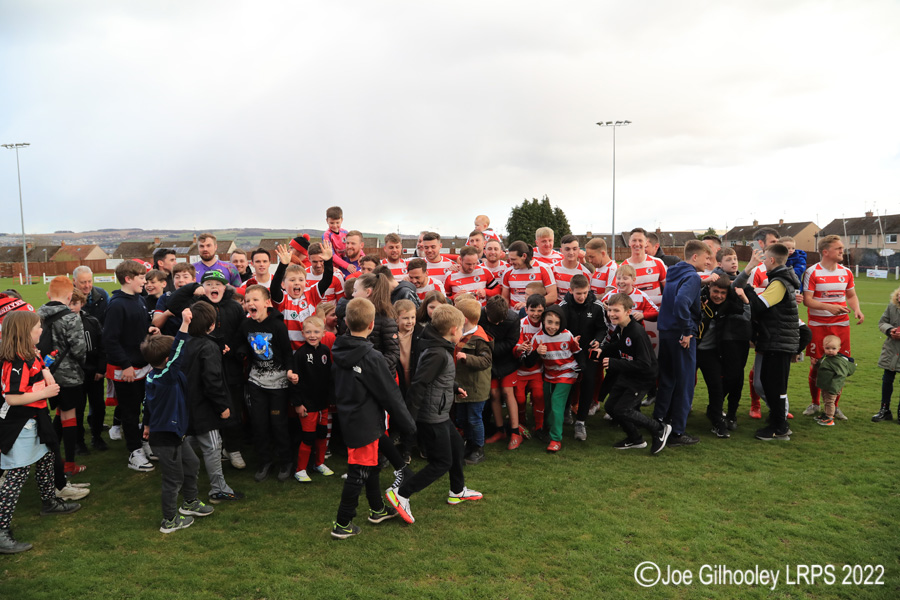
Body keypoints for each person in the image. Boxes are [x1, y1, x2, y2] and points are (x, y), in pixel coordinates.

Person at [386, 304, 482, 525]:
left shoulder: (438, 345)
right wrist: (409, 419)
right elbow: (420, 383)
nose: (462, 333)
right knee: (442, 462)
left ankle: (457, 490)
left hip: (439, 412)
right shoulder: (438, 352)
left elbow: (438, 377)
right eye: (461, 329)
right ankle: (402, 493)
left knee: (457, 445)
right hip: (431, 416)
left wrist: (454, 385)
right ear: (452, 329)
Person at [331, 298, 416, 539]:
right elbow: (390, 394)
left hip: (354, 418)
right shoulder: (372, 357)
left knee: (373, 465)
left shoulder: (338, 347)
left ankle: (377, 509)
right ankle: (342, 523)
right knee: (359, 471)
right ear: (371, 325)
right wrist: (409, 425)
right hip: (364, 422)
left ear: (346, 322)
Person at [0, 311, 80, 554]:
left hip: (36, 418)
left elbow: (48, 382)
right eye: (37, 327)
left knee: (47, 459)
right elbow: (12, 397)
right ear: (25, 332)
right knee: (17, 474)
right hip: (20, 424)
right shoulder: (14, 360)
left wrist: (42, 366)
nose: (41, 331)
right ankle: (1, 530)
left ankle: (49, 502)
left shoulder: (29, 355)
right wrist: (44, 394)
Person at [141, 308, 215, 534]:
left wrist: (146, 424)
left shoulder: (157, 375)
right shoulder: (165, 377)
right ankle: (169, 520)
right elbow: (178, 352)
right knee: (173, 480)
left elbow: (148, 404)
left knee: (191, 464)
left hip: (175, 432)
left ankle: (190, 502)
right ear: (167, 360)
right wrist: (184, 323)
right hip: (166, 437)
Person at [733, 244, 800, 441]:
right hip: (776, 340)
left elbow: (760, 307)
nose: (763, 264)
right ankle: (777, 423)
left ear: (771, 260)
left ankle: (779, 427)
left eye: (765, 260)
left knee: (775, 386)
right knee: (770, 384)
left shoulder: (779, 282)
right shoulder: (781, 280)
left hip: (778, 342)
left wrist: (749, 290)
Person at [180, 301, 244, 503]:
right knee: (213, 448)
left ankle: (183, 483)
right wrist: (222, 406)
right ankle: (218, 489)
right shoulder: (208, 348)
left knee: (188, 443)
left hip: (186, 406)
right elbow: (212, 381)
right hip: (205, 408)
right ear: (212, 325)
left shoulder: (185, 342)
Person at [592, 293, 671, 454]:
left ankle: (659, 429)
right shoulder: (621, 328)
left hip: (642, 377)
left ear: (628, 311)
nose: (612, 314)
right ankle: (635, 439)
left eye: (616, 311)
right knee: (611, 407)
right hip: (628, 374)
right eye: (610, 310)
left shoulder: (636, 332)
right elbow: (616, 344)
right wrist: (602, 349)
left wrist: (614, 363)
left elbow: (644, 363)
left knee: (623, 409)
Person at [652, 240, 712, 447]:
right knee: (685, 383)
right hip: (681, 335)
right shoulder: (693, 276)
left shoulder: (673, 272)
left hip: (666, 332)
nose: (709, 262)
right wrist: (688, 330)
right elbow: (681, 302)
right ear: (695, 257)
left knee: (667, 380)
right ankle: (677, 432)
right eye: (707, 257)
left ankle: (658, 421)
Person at [102, 260, 160, 472]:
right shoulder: (116, 305)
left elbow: (139, 326)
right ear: (128, 278)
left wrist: (150, 330)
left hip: (142, 366)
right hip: (126, 370)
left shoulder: (139, 300)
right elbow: (110, 339)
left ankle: (144, 442)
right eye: (142, 278)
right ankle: (134, 452)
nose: (145, 282)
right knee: (130, 410)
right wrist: (125, 364)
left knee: (145, 407)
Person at [801, 235, 864, 420]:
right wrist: (830, 307)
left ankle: (834, 407)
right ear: (825, 251)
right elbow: (808, 300)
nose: (842, 251)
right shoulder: (812, 272)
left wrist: (857, 309)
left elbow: (851, 295)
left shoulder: (846, 272)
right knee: (816, 365)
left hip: (841, 326)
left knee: (840, 366)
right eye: (838, 248)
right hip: (818, 326)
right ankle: (815, 403)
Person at [237, 285, 294, 482]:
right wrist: (241, 351)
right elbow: (243, 342)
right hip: (256, 383)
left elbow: (287, 352)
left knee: (278, 423)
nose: (250, 303)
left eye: (255, 300)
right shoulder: (246, 325)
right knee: (259, 423)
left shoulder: (277, 326)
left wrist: (290, 371)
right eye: (247, 300)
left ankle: (286, 461)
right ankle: (265, 461)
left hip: (278, 384)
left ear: (267, 303)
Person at [37, 276, 88, 475]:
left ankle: (50, 457)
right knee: (69, 416)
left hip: (45, 373)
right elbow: (79, 348)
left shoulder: (38, 313)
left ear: (49, 294)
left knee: (58, 412)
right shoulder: (71, 317)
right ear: (69, 296)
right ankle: (68, 464)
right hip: (69, 375)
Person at [287, 316, 335, 483]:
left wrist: (331, 398)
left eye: (316, 332)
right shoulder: (300, 355)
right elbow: (295, 382)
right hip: (307, 405)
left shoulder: (325, 352)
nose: (312, 335)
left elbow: (329, 377)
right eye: (308, 332)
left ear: (323, 333)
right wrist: (298, 404)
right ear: (303, 333)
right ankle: (300, 469)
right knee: (308, 437)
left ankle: (319, 463)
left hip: (323, 404)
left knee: (322, 435)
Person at [696, 277, 746, 438]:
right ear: (709, 289)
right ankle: (671, 418)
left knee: (717, 386)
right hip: (690, 351)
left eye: (722, 293)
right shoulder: (698, 302)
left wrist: (742, 295)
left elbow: (747, 311)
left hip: (710, 352)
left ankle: (718, 421)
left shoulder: (729, 306)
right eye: (715, 291)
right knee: (683, 384)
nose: (718, 296)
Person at [527, 305, 580, 452]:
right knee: (548, 403)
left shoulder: (567, 335)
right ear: (543, 321)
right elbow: (529, 361)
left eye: (557, 323)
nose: (553, 326)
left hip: (567, 373)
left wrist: (582, 369)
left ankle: (556, 439)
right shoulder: (538, 338)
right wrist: (537, 352)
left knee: (557, 402)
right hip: (549, 375)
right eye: (549, 322)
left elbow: (578, 352)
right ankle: (547, 426)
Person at [559, 274, 605, 441]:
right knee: (568, 382)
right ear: (570, 291)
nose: (582, 296)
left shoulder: (597, 306)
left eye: (585, 292)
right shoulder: (563, 306)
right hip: (569, 352)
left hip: (589, 352)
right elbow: (557, 329)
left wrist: (598, 340)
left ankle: (581, 421)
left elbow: (603, 329)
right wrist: (569, 341)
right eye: (578, 293)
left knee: (588, 383)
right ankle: (566, 409)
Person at [269, 241, 335, 350]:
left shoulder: (311, 294)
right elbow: (274, 288)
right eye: (292, 280)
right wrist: (283, 264)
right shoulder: (283, 299)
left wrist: (328, 261)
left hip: (310, 350)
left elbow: (327, 280)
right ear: (283, 284)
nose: (297, 283)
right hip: (289, 352)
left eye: (301, 280)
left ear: (306, 282)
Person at [452, 299, 493, 465]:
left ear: (465, 318)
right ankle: (468, 442)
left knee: (474, 418)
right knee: (462, 418)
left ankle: (478, 447)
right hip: (463, 386)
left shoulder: (479, 339)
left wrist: (467, 357)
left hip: (476, 388)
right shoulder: (460, 334)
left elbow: (485, 361)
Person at [479, 295, 522, 450]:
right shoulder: (479, 315)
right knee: (494, 393)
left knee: (507, 392)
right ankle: (499, 430)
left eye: (500, 321)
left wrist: (490, 349)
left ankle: (515, 431)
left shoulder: (513, 319)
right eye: (494, 321)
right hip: (489, 362)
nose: (497, 324)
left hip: (507, 361)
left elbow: (512, 342)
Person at [68, 289, 107, 452]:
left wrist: (101, 368)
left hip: (93, 372)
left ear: (82, 304)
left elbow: (102, 346)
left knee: (98, 406)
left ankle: (97, 437)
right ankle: (79, 441)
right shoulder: (61, 323)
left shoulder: (92, 321)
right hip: (74, 374)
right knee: (77, 408)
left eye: (75, 303)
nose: (71, 307)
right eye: (69, 303)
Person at [513, 294, 546, 439]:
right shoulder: (520, 324)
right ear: (526, 309)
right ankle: (521, 423)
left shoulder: (546, 324)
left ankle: (539, 425)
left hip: (537, 370)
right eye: (533, 310)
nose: (536, 314)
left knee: (539, 395)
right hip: (520, 371)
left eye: (539, 311)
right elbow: (515, 345)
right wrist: (519, 348)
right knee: (519, 398)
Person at [814, 335, 857, 427]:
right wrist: (816, 363)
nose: (830, 350)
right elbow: (822, 366)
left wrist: (834, 389)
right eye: (827, 348)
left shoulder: (838, 361)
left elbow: (841, 375)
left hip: (832, 387)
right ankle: (826, 415)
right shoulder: (826, 357)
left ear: (839, 349)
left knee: (830, 402)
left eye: (833, 348)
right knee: (826, 400)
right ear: (823, 348)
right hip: (826, 385)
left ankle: (830, 418)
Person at [501, 241, 557, 309]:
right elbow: (505, 297)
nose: (510, 262)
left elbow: (553, 296)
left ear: (524, 256)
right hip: (515, 317)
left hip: (536, 316)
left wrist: (529, 304)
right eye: (510, 259)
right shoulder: (508, 272)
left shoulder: (543, 269)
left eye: (513, 259)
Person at [873, 286, 900, 422]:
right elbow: (882, 322)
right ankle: (884, 409)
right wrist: (891, 331)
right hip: (891, 350)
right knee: (887, 380)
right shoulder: (892, 307)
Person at [621, 228, 666, 308]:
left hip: (656, 316)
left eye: (640, 240)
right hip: (634, 315)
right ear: (629, 243)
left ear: (646, 243)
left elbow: (668, 288)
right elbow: (621, 295)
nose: (637, 244)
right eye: (634, 240)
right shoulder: (622, 267)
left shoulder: (657, 262)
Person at [552, 235, 592, 302]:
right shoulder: (552, 269)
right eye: (567, 249)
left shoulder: (586, 273)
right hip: (557, 310)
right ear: (561, 250)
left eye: (574, 249)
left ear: (578, 250)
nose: (571, 252)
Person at [323, 206, 353, 275]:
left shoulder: (345, 232)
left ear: (341, 220)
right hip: (334, 267)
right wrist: (346, 265)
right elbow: (331, 254)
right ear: (327, 220)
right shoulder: (326, 235)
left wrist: (362, 256)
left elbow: (354, 246)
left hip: (347, 263)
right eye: (332, 223)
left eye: (337, 222)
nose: (335, 226)